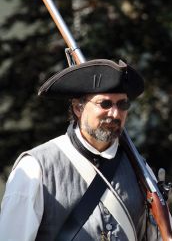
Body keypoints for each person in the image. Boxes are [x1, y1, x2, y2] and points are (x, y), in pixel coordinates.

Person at [0, 59, 163, 240]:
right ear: (78, 108)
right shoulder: (36, 167)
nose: (115, 114)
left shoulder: (141, 170)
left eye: (122, 104)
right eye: (105, 104)